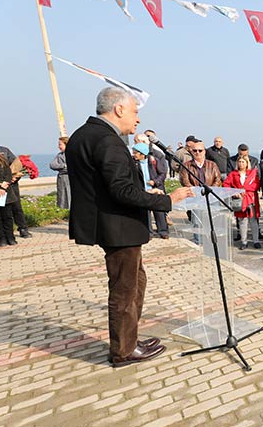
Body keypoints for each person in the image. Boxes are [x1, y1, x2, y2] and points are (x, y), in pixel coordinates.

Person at [66, 87, 193, 367]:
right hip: (118, 226)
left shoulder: (83, 135)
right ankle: (123, 351)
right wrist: (167, 200)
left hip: (111, 224)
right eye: (135, 112)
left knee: (136, 282)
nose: (137, 120)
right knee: (125, 290)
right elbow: (121, 190)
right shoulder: (108, 140)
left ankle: (130, 340)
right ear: (119, 109)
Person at [224, 156, 262, 249]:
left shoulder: (252, 174)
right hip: (240, 200)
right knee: (242, 221)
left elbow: (256, 185)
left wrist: (244, 190)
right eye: (239, 162)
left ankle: (256, 241)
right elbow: (226, 184)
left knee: (253, 221)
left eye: (243, 162)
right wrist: (235, 192)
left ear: (247, 163)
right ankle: (244, 241)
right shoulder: (233, 174)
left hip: (251, 199)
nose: (241, 164)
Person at [0, 147, 17, 246]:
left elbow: (8, 173)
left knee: (7, 216)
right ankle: (1, 239)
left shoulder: (2, 160)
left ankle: (10, 238)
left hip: (5, 192)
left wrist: (4, 185)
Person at [49, 136, 71, 210]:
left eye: (60, 144)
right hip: (62, 178)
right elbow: (52, 165)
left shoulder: (72, 154)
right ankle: (62, 210)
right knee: (62, 196)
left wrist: (64, 168)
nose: (58, 146)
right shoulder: (59, 155)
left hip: (70, 178)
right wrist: (63, 166)